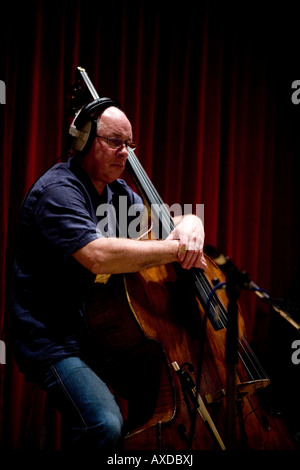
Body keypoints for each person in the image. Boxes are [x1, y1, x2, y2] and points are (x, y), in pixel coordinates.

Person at [11, 103, 207, 451]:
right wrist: (175, 250)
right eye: (115, 141)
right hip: (50, 338)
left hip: (97, 335)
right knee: (104, 424)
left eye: (130, 144)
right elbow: (98, 256)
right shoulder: (58, 191)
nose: (126, 154)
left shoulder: (116, 191)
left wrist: (192, 223)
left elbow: (163, 224)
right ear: (84, 141)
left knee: (173, 397)